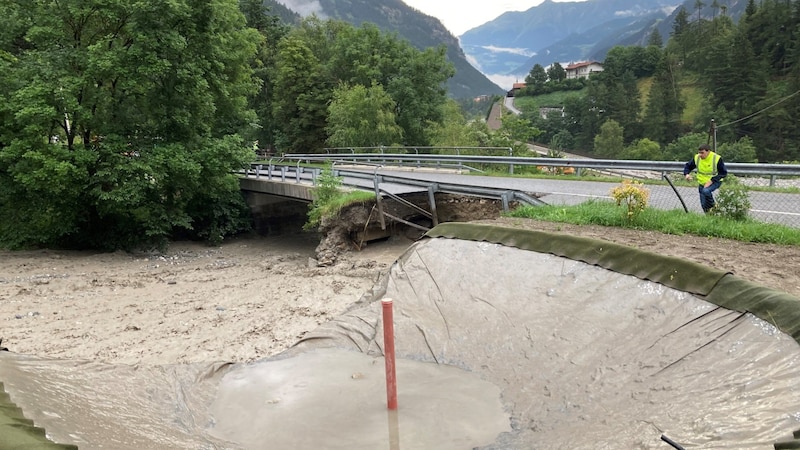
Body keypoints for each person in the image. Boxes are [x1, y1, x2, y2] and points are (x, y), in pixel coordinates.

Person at [683, 144, 727, 213]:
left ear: (708, 152)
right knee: (704, 204)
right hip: (702, 182)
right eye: (699, 152)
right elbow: (688, 166)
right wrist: (687, 174)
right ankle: (710, 217)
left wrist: (711, 180)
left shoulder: (716, 158)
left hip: (715, 181)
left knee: (706, 191)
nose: (700, 155)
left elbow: (723, 173)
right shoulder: (697, 157)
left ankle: (714, 206)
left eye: (702, 153)